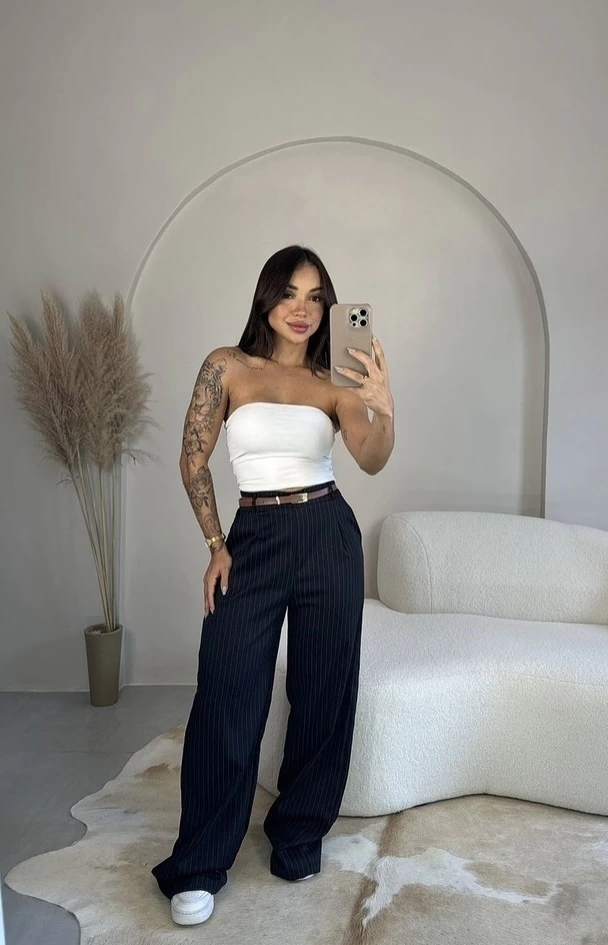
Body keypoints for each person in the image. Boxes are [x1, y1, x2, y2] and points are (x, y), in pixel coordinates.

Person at [151, 244, 395, 926]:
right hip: (253, 537)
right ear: (266, 297)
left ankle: (298, 830)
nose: (301, 308)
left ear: (328, 308)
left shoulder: (336, 378)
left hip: (327, 534)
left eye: (316, 297)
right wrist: (215, 544)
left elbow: (372, 459)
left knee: (323, 689)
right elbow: (192, 457)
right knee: (228, 694)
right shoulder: (226, 366)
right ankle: (200, 862)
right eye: (289, 292)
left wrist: (382, 406)